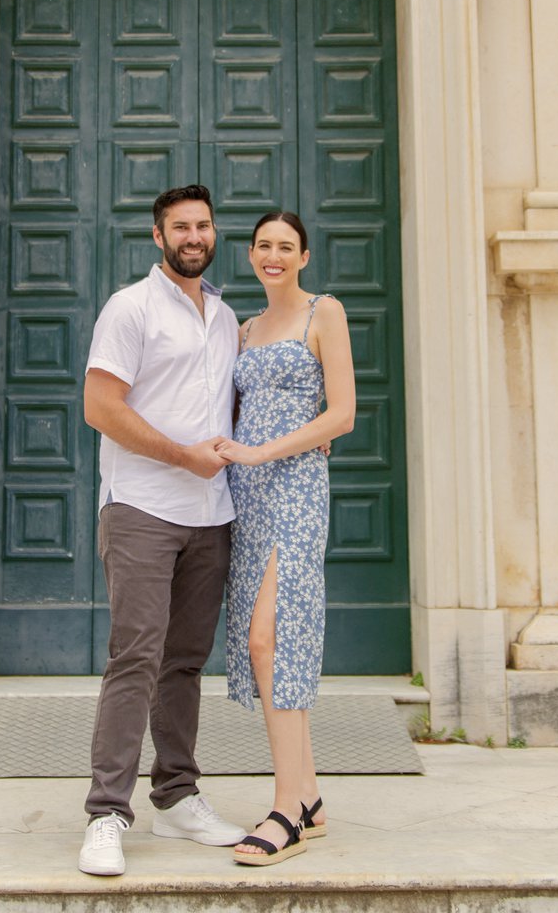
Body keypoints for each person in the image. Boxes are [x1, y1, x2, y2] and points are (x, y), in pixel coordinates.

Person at [76, 183, 249, 877]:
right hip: (143, 507)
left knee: (183, 665)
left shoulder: (228, 315)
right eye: (181, 227)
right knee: (136, 659)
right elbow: (99, 406)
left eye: (203, 226)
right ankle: (106, 814)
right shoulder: (131, 308)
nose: (194, 237)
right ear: (158, 236)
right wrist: (182, 457)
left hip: (213, 516)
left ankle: (176, 797)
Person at [214, 211, 355, 867]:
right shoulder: (243, 330)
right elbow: (231, 413)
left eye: (286, 247)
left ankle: (287, 805)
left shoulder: (324, 312)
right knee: (268, 640)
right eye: (265, 246)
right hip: (248, 496)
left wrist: (266, 449)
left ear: (304, 256)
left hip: (297, 486)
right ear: (252, 255)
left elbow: (342, 413)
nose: (274, 256)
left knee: (271, 635)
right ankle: (312, 796)